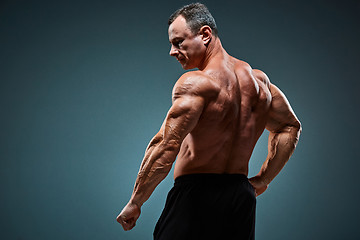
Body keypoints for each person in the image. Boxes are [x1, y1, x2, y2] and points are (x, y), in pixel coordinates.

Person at [117, 3, 301, 240]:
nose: (172, 51)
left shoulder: (196, 83)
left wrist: (135, 201)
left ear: (205, 34)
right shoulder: (260, 84)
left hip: (196, 196)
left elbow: (166, 145)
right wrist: (264, 179)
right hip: (240, 196)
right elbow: (289, 126)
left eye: (178, 42)